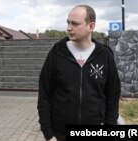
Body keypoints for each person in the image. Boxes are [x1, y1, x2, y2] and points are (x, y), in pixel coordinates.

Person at [37, 4, 121, 141]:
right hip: (60, 134)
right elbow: (44, 94)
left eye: (75, 23)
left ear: (91, 27)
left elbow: (113, 94)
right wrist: (48, 134)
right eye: (68, 22)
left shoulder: (104, 55)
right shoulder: (57, 53)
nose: (69, 27)